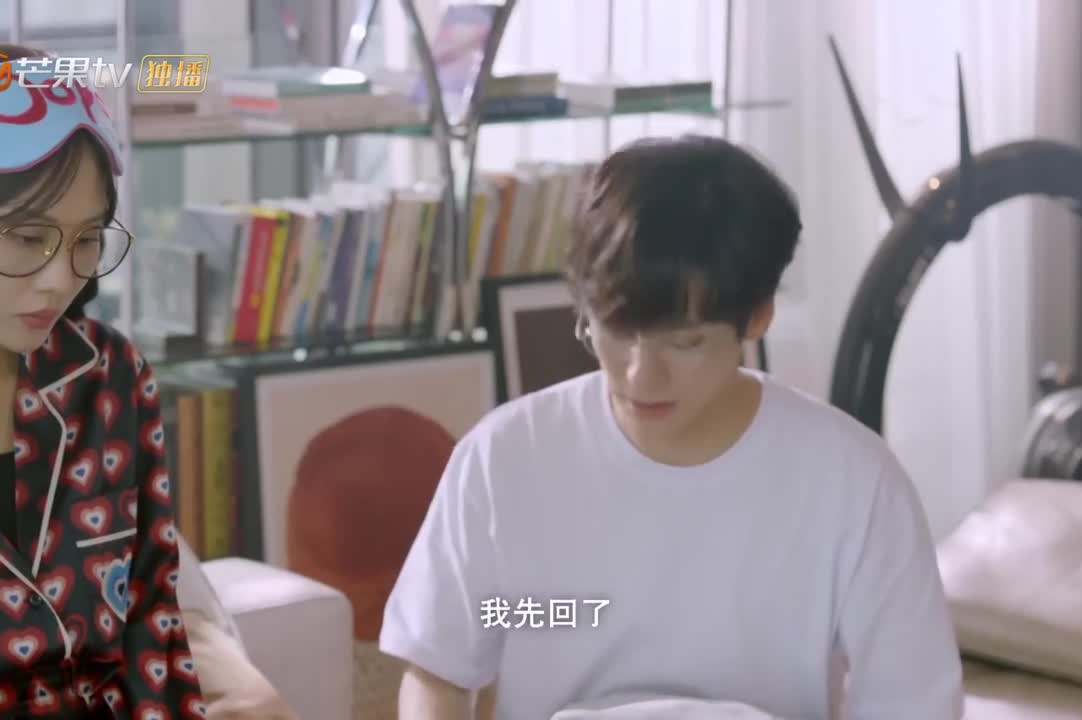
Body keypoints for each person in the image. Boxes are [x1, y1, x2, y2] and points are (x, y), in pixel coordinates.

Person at [378, 135, 964, 719]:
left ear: (757, 318)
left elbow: (913, 705)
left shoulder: (853, 483)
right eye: (614, 332)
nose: (641, 375)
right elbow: (438, 670)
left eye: (684, 343)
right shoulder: (507, 458)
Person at [0, 46, 204, 717]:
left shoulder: (109, 379)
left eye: (86, 240)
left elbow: (154, 626)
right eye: (26, 238)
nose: (60, 278)